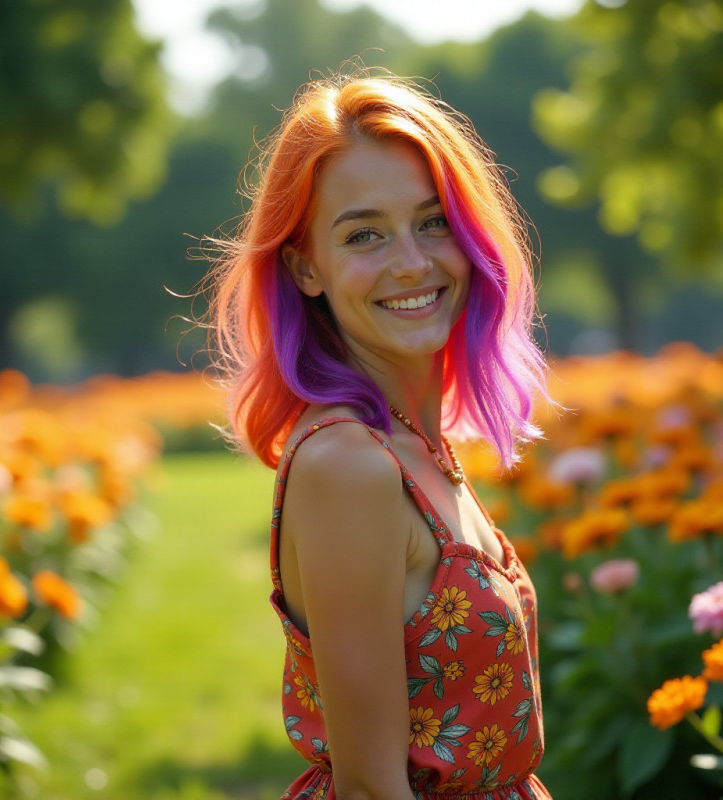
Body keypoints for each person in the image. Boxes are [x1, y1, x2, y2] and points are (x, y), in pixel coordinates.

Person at [206, 69, 553, 800]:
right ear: (305, 267)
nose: (413, 262)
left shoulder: (412, 445)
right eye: (365, 234)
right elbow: (370, 789)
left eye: (434, 222)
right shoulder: (349, 466)